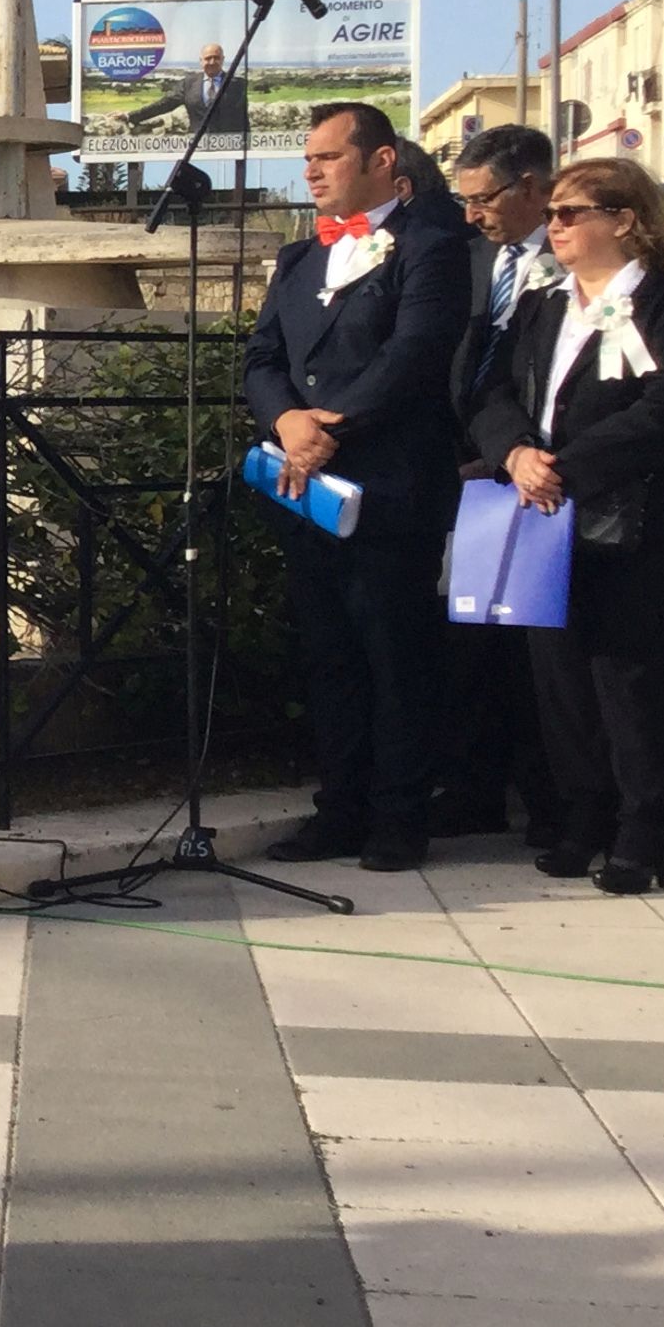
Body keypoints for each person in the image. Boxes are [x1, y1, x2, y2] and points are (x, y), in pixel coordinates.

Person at [471, 159, 664, 893]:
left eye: (573, 212)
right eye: (553, 213)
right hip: (541, 507)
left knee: (625, 675)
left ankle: (644, 827)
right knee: (558, 675)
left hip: (625, 514)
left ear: (624, 219)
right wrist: (514, 451)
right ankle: (584, 812)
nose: (557, 225)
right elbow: (494, 389)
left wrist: (569, 466)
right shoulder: (547, 305)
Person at [243, 103, 471, 871]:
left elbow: (416, 352)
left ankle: (400, 815)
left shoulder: (430, 245)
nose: (311, 170)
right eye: (307, 158)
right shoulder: (300, 257)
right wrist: (286, 425)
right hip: (305, 485)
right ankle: (337, 809)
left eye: (329, 157)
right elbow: (263, 358)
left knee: (396, 655)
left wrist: (332, 426)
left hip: (388, 481)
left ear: (382, 163)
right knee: (330, 656)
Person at [435, 121, 563, 842]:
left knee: (539, 650)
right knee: (472, 643)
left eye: (484, 199)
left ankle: (551, 798)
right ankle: (473, 788)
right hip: (469, 472)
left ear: (534, 188)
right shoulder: (470, 261)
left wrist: (517, 451)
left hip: (544, 474)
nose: (473, 214)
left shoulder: (575, 260)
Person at [128, 41, 241, 139]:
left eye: (216, 58)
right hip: (196, 147)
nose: (212, 62)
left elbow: (243, 120)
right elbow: (164, 104)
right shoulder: (189, 84)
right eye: (208, 58)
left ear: (223, 59)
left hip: (229, 146)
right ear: (201, 61)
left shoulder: (238, 85)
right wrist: (130, 116)